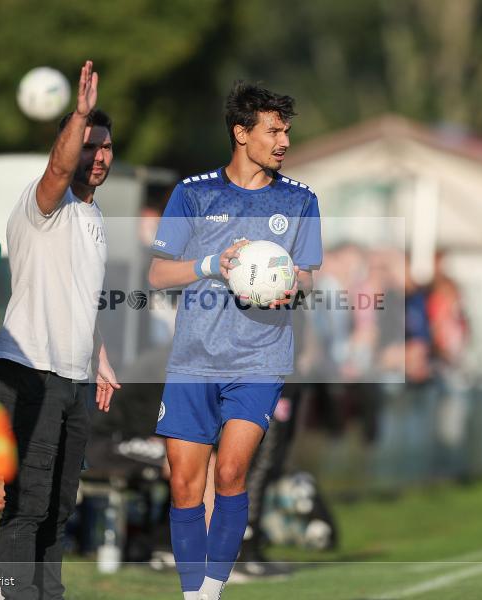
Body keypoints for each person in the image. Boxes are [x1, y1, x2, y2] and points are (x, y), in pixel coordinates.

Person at [149, 81, 322, 600]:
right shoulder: (194, 193)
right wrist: (210, 266)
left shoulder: (300, 201)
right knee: (183, 483)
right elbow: (157, 274)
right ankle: (190, 592)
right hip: (193, 359)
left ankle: (210, 592)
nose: (284, 140)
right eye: (273, 130)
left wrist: (286, 281)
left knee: (230, 471)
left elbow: (311, 277)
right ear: (241, 133)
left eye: (287, 130)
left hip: (259, 358)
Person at [0, 60, 119, 600]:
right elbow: (57, 171)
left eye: (106, 146)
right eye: (89, 145)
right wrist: (79, 115)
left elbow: (77, 300)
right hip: (27, 372)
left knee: (60, 508)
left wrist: (99, 356)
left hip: (72, 377)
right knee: (28, 505)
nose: (100, 156)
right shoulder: (47, 203)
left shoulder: (95, 216)